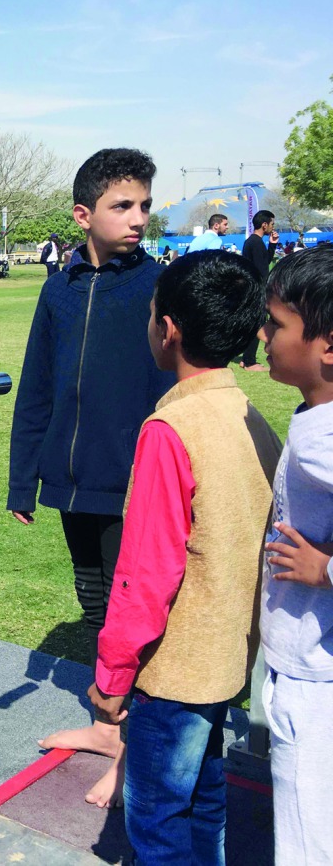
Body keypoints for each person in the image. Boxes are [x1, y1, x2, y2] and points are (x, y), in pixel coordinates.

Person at [86, 250, 280, 863]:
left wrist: (113, 674)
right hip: (230, 654)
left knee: (159, 817)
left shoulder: (172, 429)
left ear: (166, 328)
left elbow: (145, 572)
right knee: (205, 795)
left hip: (177, 666)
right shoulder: (250, 415)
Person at [8, 148, 175, 807]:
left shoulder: (160, 285)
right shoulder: (58, 288)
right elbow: (37, 387)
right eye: (122, 206)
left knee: (134, 619)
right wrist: (25, 481)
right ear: (84, 215)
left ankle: (137, 749)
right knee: (97, 607)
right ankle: (110, 729)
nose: (137, 218)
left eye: (143, 206)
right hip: (71, 483)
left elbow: (173, 392)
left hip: (132, 484)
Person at [256, 246, 333, 864]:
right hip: (306, 663)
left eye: (277, 325)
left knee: (308, 839)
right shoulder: (316, 416)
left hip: (315, 679)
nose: (263, 335)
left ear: (327, 345)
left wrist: (326, 568)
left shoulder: (324, 440)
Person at [239, 209, 279, 371]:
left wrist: (272, 244)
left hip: (252, 288)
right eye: (272, 224)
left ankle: (246, 359)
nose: (272, 226)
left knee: (255, 323)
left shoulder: (254, 242)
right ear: (264, 225)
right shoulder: (255, 243)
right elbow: (262, 270)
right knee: (257, 324)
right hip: (256, 290)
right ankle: (249, 361)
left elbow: (265, 261)